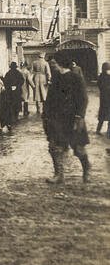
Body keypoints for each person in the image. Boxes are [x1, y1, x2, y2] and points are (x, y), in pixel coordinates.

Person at [43, 51, 90, 184]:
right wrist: (45, 115)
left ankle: (86, 170)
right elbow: (49, 99)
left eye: (54, 63)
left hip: (73, 119)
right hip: (57, 120)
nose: (52, 66)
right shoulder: (56, 78)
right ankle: (59, 175)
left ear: (61, 63)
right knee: (55, 147)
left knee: (78, 149)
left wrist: (79, 116)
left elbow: (83, 99)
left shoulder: (76, 78)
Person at [3, 62, 24, 127]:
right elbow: (22, 81)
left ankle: (12, 117)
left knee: (11, 104)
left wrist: (9, 87)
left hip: (10, 92)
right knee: (17, 104)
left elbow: (5, 82)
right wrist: (17, 86)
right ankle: (16, 116)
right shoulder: (18, 73)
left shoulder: (8, 73)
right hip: (17, 91)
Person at [96, 62, 110, 136]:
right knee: (104, 116)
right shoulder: (103, 76)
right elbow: (100, 85)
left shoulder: (102, 76)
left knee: (105, 115)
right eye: (107, 69)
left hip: (105, 99)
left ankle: (106, 132)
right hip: (105, 99)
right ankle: (100, 131)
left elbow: (99, 85)